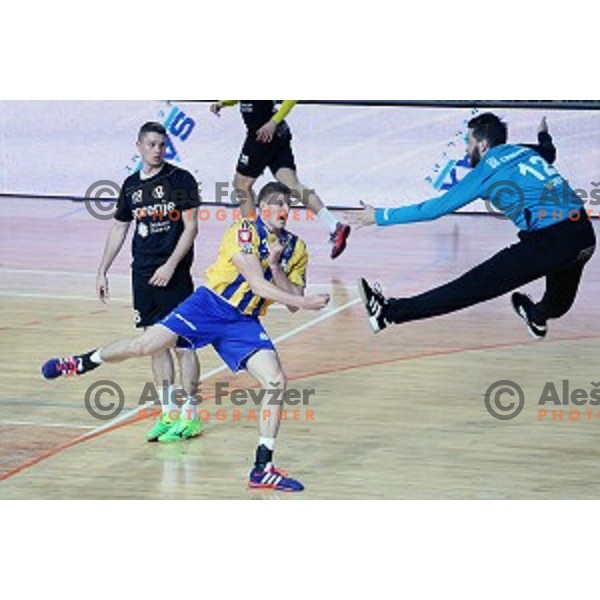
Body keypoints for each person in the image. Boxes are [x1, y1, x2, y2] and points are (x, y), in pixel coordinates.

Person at [43, 182, 331, 492]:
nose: (283, 211)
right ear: (262, 208)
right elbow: (259, 285)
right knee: (145, 346)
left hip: (243, 322)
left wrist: (276, 265)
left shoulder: (296, 248)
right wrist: (304, 301)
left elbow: (290, 303)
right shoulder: (244, 231)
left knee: (276, 380)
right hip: (209, 305)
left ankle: (263, 467)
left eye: (288, 205)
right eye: (276, 204)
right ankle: (85, 361)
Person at [349, 113, 596, 338]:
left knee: (470, 287)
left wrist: (379, 216)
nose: (466, 150)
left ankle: (387, 312)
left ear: (483, 144)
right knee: (557, 303)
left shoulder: (488, 168)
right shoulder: (523, 151)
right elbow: (548, 152)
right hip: (584, 234)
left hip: (550, 240)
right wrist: (543, 134)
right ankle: (537, 316)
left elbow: (435, 209)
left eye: (468, 142)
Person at [96, 121, 202, 443]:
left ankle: (190, 416)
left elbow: (191, 228)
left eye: (162, 145)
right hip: (142, 275)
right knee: (156, 347)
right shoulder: (130, 186)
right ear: (139, 146)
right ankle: (168, 414)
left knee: (184, 345)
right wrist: (102, 270)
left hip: (174, 275)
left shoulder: (180, 179)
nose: (158, 150)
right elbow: (118, 228)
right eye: (152, 144)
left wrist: (171, 265)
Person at [210, 100, 351, 259]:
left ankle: (251, 238)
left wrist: (273, 122)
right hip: (276, 133)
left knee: (241, 183)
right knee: (292, 184)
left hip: (262, 135)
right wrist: (224, 103)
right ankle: (334, 225)